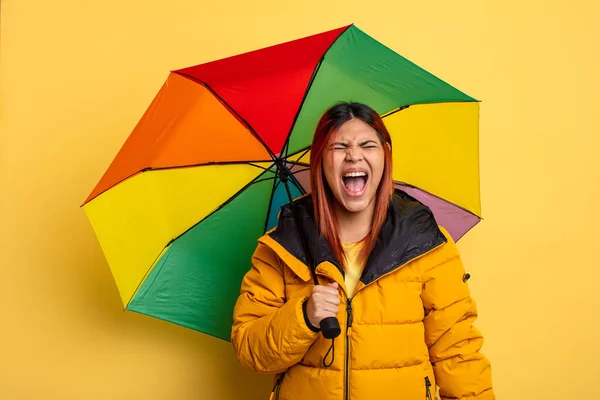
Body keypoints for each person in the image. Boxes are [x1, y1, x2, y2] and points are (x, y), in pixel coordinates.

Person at [231, 102, 494, 400]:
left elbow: (457, 351)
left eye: (367, 145)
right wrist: (304, 316)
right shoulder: (280, 247)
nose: (353, 155)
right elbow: (251, 353)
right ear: (320, 161)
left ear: (385, 156)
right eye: (338, 147)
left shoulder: (426, 243)